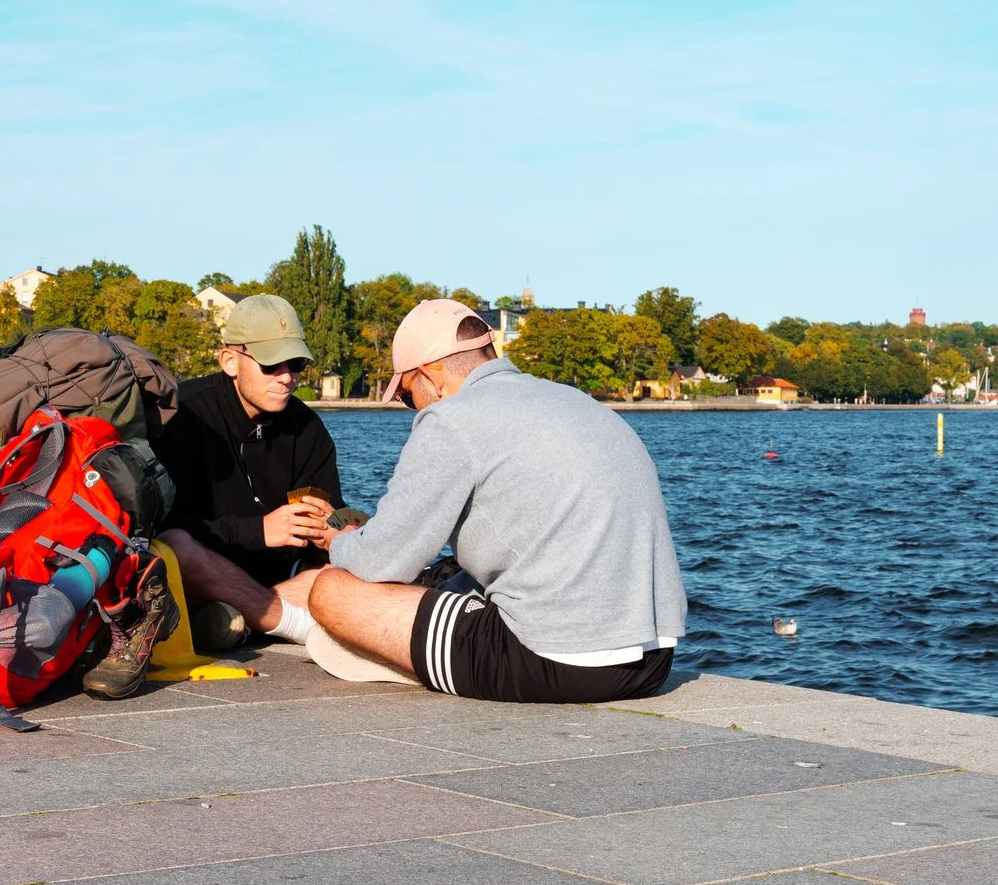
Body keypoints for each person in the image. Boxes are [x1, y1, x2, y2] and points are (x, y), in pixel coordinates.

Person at [292, 298, 685, 702]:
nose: (411, 409)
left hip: (556, 660)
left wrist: (335, 540)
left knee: (332, 590)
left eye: (408, 396)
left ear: (433, 376)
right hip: (652, 662)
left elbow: (382, 563)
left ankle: (390, 655)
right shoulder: (577, 402)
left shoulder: (451, 419)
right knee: (442, 573)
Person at [153, 293, 346, 651]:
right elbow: (155, 524)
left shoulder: (307, 427)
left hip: (276, 578)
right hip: (196, 572)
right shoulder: (181, 415)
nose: (287, 378)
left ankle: (239, 619)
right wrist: (258, 531)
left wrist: (338, 529)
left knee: (347, 569)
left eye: (296, 364)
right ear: (230, 360)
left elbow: (331, 514)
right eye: (272, 364)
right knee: (176, 546)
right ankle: (292, 623)